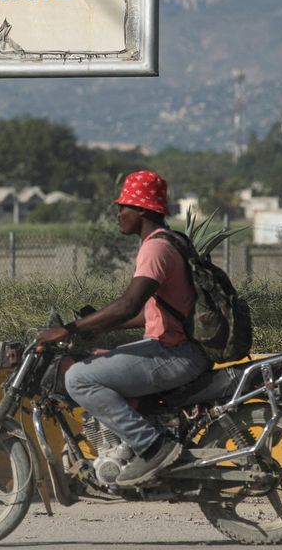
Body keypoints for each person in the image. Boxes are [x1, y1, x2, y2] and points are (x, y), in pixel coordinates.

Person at [34, 170, 210, 486]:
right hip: (177, 348)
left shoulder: (155, 249)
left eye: (123, 207)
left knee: (79, 378)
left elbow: (128, 304)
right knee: (100, 357)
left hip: (174, 354)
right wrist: (97, 330)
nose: (118, 215)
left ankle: (153, 446)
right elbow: (150, 312)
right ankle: (124, 446)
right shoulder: (173, 240)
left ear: (141, 210)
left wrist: (70, 329)